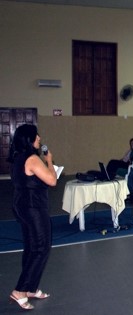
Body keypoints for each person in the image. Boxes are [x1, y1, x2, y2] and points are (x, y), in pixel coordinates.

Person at [8, 124, 58, 310]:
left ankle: (30, 287)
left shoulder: (18, 158)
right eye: (36, 136)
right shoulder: (33, 159)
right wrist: (50, 162)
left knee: (31, 247)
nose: (39, 138)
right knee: (41, 248)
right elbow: (52, 180)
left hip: (22, 206)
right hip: (34, 208)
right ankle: (20, 290)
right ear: (29, 139)